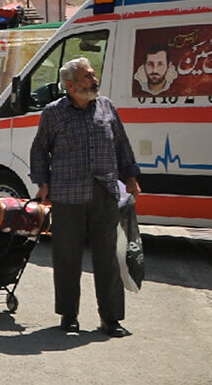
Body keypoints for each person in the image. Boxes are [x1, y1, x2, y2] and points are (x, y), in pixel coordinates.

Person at [30, 56, 141, 337]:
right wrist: (42, 182)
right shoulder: (53, 113)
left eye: (93, 75)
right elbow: (40, 150)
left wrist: (130, 178)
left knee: (108, 259)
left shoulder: (106, 108)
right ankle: (69, 316)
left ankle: (111, 319)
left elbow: (122, 145)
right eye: (88, 77)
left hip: (104, 193)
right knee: (67, 259)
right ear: (70, 85)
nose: (94, 80)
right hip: (67, 195)